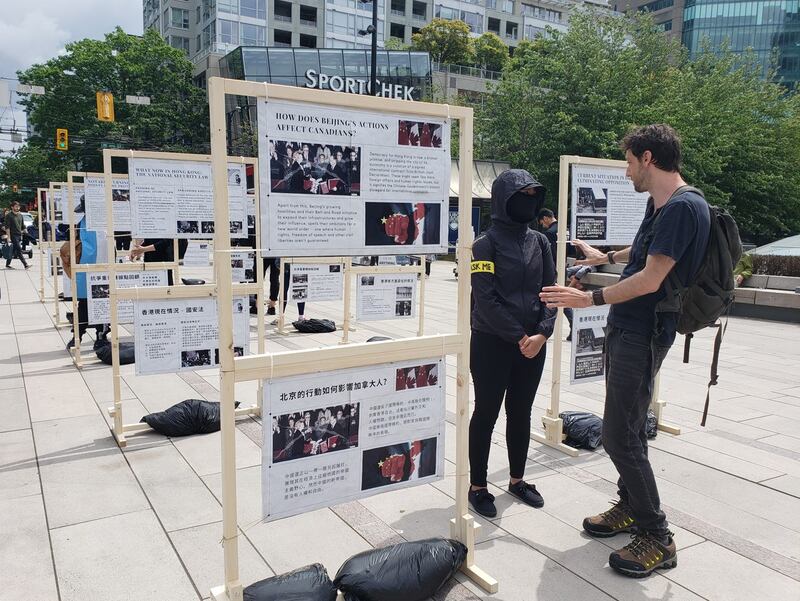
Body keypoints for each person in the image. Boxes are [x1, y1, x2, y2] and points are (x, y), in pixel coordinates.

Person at [539, 124, 710, 578]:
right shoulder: (662, 205)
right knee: (628, 427)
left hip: (644, 332)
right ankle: (630, 506)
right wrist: (605, 259)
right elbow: (646, 252)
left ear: (648, 158)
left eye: (630, 162)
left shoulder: (683, 207)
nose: (627, 171)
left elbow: (651, 278)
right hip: (630, 328)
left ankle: (658, 536)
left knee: (619, 436)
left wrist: (588, 299)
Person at [468, 169, 556, 519]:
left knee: (521, 412)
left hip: (534, 344)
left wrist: (542, 333)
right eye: (523, 195)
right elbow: (485, 299)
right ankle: (477, 485)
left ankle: (517, 479)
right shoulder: (484, 244)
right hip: (492, 343)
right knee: (486, 413)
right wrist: (520, 336)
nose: (529, 202)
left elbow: (550, 291)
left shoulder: (540, 242)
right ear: (505, 199)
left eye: (535, 195)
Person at [538, 208, 574, 340]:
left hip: (552, 269)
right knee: (560, 295)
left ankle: (572, 323)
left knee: (556, 297)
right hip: (563, 266)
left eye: (542, 222)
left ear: (546, 218)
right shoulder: (566, 229)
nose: (543, 225)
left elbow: (548, 255)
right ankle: (573, 323)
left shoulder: (549, 233)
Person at [4, 202, 30, 269]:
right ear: (12, 207)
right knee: (19, 249)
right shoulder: (9, 215)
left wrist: (26, 231)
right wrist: (8, 237)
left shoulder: (20, 215)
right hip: (13, 235)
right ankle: (25, 265)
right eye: (16, 206)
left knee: (13, 250)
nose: (17, 208)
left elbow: (23, 225)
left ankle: (7, 265)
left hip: (19, 235)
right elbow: (7, 227)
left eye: (18, 206)